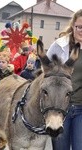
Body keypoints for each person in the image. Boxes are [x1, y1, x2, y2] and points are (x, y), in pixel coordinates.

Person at [46, 9, 82, 150]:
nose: (81, 30)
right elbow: (45, 74)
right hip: (59, 109)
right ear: (73, 26)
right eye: (79, 26)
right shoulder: (59, 46)